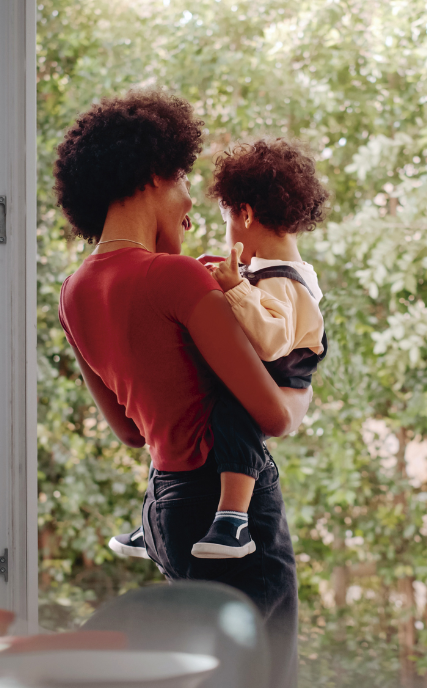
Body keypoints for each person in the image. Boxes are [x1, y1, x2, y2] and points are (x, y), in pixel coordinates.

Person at [55, 90, 309, 688]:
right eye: (184, 181)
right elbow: (272, 416)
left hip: (165, 506)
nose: (191, 202)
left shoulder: (73, 291)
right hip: (226, 508)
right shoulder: (177, 276)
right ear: (153, 177)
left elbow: (126, 428)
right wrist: (301, 393)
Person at [109, 138, 329, 560]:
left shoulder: (287, 279)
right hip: (261, 374)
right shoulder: (261, 272)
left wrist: (235, 289)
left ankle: (233, 518)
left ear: (244, 214)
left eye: (227, 218)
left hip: (279, 374)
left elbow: (272, 340)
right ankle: (156, 520)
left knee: (232, 414)